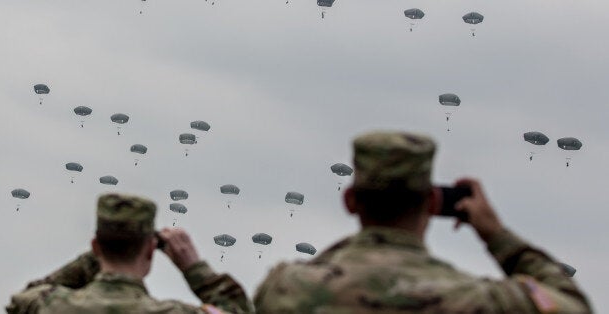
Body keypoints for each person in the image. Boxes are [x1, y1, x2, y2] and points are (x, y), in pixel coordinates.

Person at [254, 130, 592, 313]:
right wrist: (497, 235)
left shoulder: (286, 288)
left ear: (350, 200)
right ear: (432, 203)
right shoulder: (476, 299)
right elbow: (572, 304)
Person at [7, 193, 252, 313]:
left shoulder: (50, 306)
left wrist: (94, 258)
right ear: (150, 250)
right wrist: (194, 269)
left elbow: (21, 300)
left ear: (95, 247)